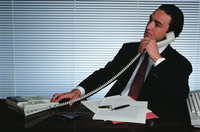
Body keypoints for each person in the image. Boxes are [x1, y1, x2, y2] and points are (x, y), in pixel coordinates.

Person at [52, 4, 192, 115]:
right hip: (109, 111)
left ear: (170, 35)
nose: (148, 26)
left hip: (145, 122)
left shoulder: (180, 63)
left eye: (157, 24)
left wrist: (157, 58)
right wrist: (78, 91)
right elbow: (106, 73)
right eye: (150, 19)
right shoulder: (130, 49)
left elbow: (179, 96)